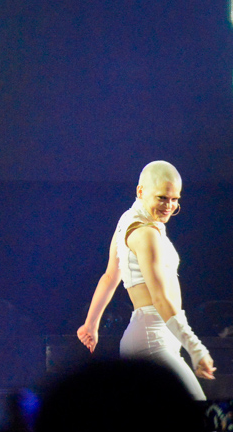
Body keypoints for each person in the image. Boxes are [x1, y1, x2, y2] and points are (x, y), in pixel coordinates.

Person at [77, 161, 216, 414]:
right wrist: (196, 349)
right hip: (153, 336)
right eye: (162, 197)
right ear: (141, 191)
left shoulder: (129, 220)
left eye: (175, 199)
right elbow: (160, 299)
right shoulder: (145, 232)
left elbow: (110, 276)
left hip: (153, 335)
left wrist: (91, 324)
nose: (170, 206)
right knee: (203, 424)